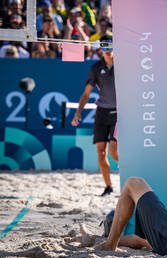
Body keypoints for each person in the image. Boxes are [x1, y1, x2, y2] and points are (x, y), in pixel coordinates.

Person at [71, 34, 118, 197]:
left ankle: (130, 174)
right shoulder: (96, 68)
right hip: (102, 112)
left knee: (114, 152)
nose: (108, 50)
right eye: (105, 46)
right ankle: (108, 186)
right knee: (101, 152)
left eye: (110, 46)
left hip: (119, 113)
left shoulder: (125, 65)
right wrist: (78, 112)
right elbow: (86, 93)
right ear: (100, 49)